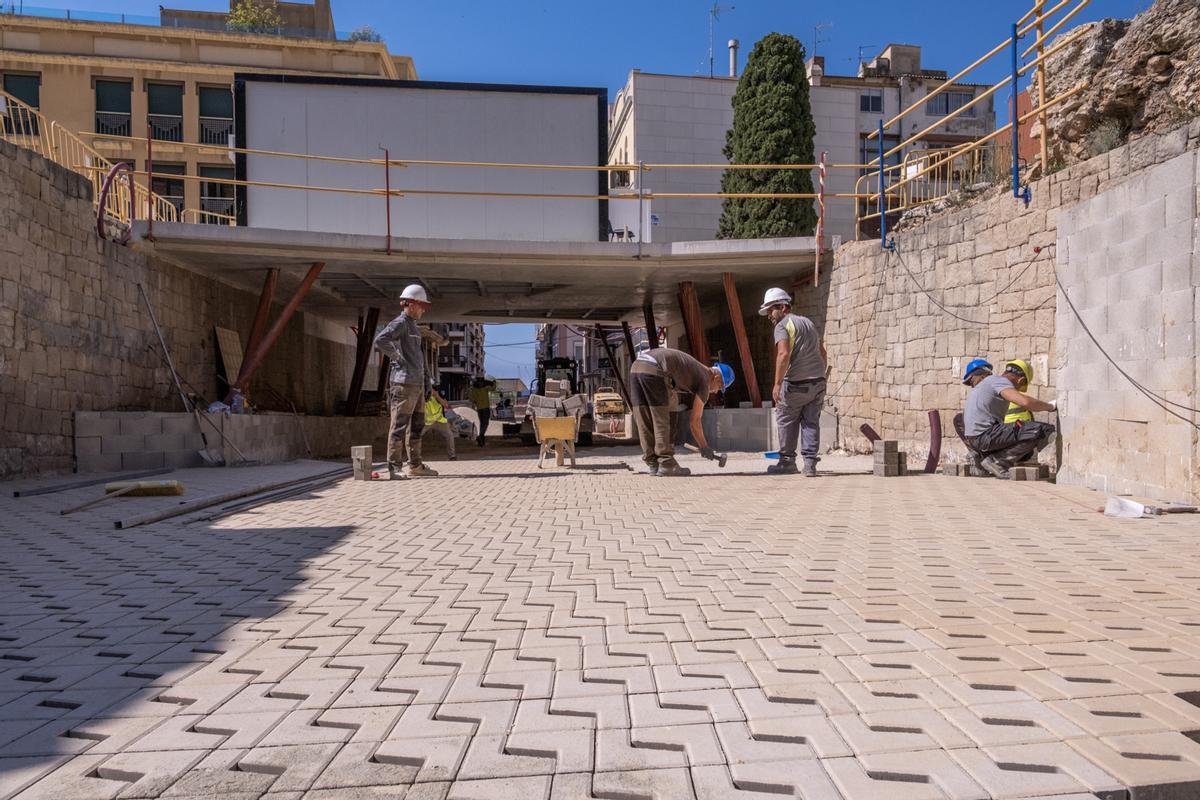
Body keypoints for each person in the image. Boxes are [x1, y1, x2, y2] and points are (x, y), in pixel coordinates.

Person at [629, 347, 732, 477]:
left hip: (636, 367)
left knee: (644, 418)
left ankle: (653, 463)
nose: (716, 391)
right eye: (720, 387)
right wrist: (704, 447)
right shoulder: (705, 381)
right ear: (717, 377)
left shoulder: (696, 370)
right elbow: (695, 421)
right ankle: (667, 463)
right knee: (665, 417)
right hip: (656, 370)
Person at [759, 287, 828, 477]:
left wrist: (777, 384)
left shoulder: (782, 326)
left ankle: (787, 462)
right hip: (817, 382)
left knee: (786, 420)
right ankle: (810, 464)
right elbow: (822, 353)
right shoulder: (808, 323)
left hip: (796, 383)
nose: (769, 316)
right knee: (811, 422)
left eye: (771, 310)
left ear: (782, 306)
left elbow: (783, 354)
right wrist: (821, 376)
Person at [373, 284, 438, 480]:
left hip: (417, 384)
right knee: (399, 426)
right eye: (420, 306)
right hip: (403, 384)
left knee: (417, 426)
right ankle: (394, 467)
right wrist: (397, 357)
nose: (423, 310)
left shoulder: (414, 328)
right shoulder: (400, 323)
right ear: (409, 304)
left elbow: (420, 358)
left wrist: (427, 382)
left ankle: (415, 465)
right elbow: (380, 340)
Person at [960, 358, 1056, 479]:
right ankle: (998, 462)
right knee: (1043, 430)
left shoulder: (985, 385)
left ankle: (984, 458)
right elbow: (1025, 402)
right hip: (985, 437)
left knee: (1026, 450)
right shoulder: (998, 381)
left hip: (975, 440)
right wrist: (1050, 406)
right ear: (1021, 380)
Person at [422, 388, 456, 461]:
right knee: (415, 437)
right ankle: (414, 458)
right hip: (426, 421)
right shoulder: (421, 393)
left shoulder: (437, 394)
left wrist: (437, 396)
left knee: (449, 435)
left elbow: (446, 405)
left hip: (439, 420)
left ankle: (452, 455)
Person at [468, 378, 493, 447]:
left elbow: (471, 399)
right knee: (485, 423)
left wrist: (475, 401)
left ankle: (481, 440)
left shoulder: (474, 389)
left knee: (482, 424)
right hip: (485, 408)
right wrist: (493, 382)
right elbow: (493, 388)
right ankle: (480, 436)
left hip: (479, 409)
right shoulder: (485, 388)